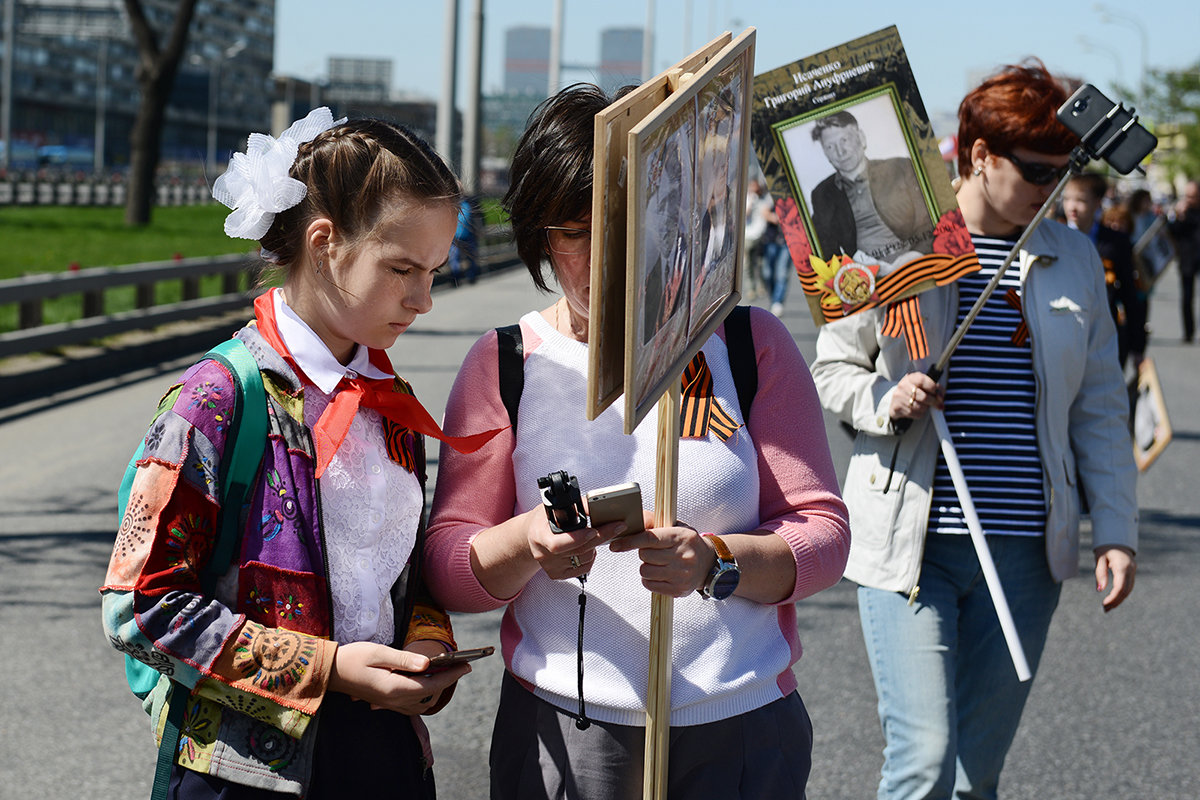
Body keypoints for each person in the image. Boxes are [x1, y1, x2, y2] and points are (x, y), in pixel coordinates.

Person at [424, 83, 851, 800]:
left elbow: (824, 533)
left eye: (631, 223)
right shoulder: (506, 363)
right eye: (575, 228)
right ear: (539, 234)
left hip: (739, 724)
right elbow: (448, 562)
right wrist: (529, 541)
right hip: (565, 726)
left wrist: (717, 561)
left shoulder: (748, 345)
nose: (607, 253)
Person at [101, 108, 487, 799]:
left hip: (385, 756)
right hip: (246, 776)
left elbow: (398, 567)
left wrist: (426, 642)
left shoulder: (382, 391)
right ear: (325, 242)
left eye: (434, 270)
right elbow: (139, 607)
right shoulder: (217, 398)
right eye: (402, 269)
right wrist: (330, 668)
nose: (424, 300)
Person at [810, 62, 1139, 800]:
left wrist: (1116, 529)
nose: (1052, 188)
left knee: (973, 777)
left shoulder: (1074, 256)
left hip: (1024, 552)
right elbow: (833, 372)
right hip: (909, 546)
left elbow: (1100, 410)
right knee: (923, 762)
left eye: (1066, 171)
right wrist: (886, 398)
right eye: (1036, 171)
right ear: (980, 155)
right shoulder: (899, 239)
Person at [809, 109, 933, 269]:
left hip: (918, 265)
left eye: (844, 140)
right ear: (825, 153)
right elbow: (826, 252)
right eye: (831, 147)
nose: (840, 152)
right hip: (867, 282)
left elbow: (930, 221)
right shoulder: (822, 194)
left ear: (861, 137)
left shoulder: (900, 168)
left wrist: (915, 256)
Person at [1062, 171, 1146, 366]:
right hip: (1064, 332)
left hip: (1104, 333)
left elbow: (1129, 293)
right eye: (1067, 199)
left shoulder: (1115, 242)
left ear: (1098, 202)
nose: (1071, 207)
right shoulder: (1051, 236)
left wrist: (1137, 346)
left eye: (1081, 200)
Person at [1166, 179, 1200, 342]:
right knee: (1187, 298)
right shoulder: (1182, 213)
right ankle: (1188, 332)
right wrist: (1179, 217)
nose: (1189, 200)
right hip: (1187, 259)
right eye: (1187, 196)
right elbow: (1171, 232)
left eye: (1192, 196)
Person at [448, 195, 480, 284]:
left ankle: (456, 278)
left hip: (455, 237)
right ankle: (471, 277)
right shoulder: (470, 203)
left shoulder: (451, 205)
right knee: (470, 257)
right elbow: (477, 220)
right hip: (467, 236)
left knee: (454, 258)